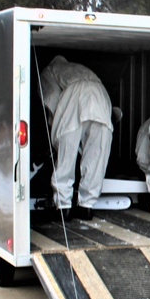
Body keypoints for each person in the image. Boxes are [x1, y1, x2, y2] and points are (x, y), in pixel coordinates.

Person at [40, 55, 114, 221]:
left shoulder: (48, 71)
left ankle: (63, 206)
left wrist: (54, 122)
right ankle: (86, 206)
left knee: (67, 151)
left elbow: (51, 96)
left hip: (76, 94)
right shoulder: (80, 67)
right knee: (97, 153)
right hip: (101, 95)